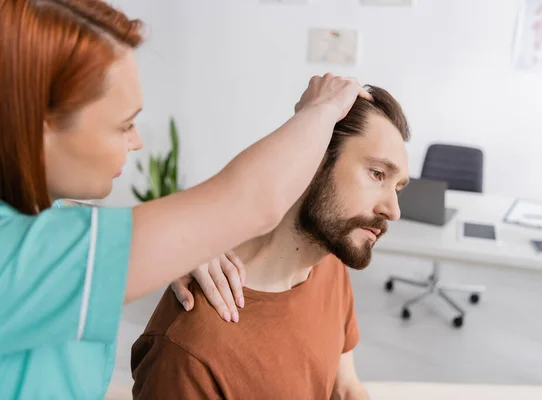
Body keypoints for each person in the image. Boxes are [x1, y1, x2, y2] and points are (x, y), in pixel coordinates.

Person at [0, 1, 373, 399]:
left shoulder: (40, 214)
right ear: (39, 127)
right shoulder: (17, 260)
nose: (137, 141)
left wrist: (174, 242)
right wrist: (320, 110)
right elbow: (253, 202)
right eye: (124, 125)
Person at [130, 86, 411, 399]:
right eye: (377, 174)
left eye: (398, 187)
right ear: (314, 159)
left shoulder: (329, 262)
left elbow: (344, 387)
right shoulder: (188, 351)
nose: (393, 210)